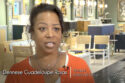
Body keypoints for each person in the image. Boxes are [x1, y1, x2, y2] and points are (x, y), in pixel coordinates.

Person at [5, 3, 95, 83]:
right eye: (42, 28)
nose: (50, 35)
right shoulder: (17, 73)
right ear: (32, 33)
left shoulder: (80, 66)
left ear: (61, 33)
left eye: (56, 29)